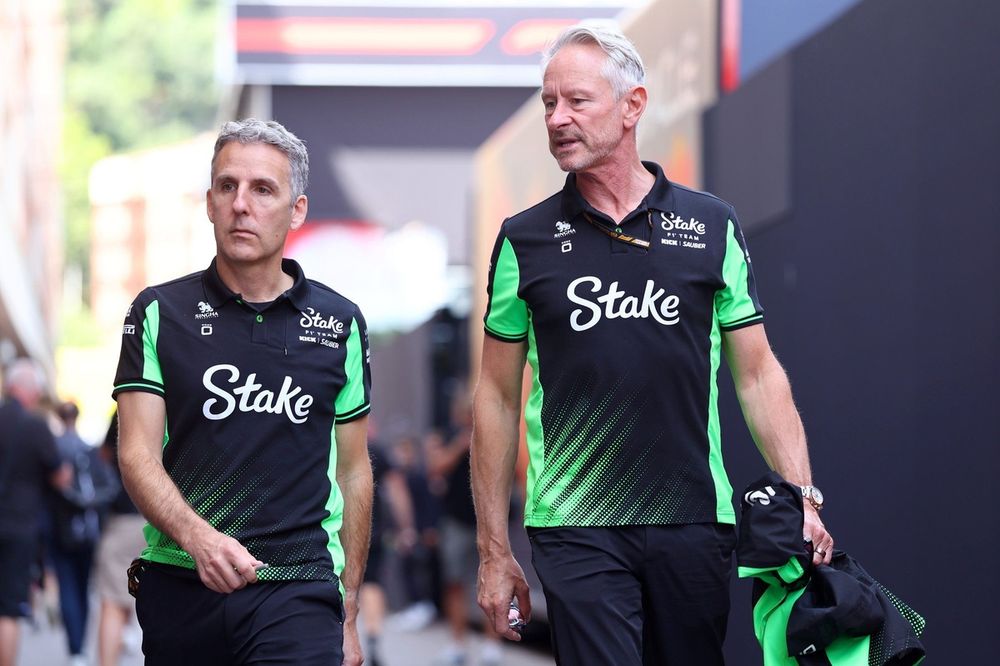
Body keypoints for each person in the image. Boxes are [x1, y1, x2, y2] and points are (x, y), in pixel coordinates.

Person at [470, 23, 834, 666]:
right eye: (548, 103)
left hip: (695, 518)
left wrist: (801, 495)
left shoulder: (711, 223)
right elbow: (496, 399)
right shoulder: (522, 241)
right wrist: (493, 553)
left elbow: (757, 375)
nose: (557, 118)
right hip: (575, 526)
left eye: (576, 101)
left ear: (632, 106)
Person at [113, 118, 373, 666]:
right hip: (182, 582)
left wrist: (348, 613)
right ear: (209, 202)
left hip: (298, 587)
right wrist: (197, 539)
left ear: (296, 210)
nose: (241, 204)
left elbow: (353, 471)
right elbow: (136, 451)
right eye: (227, 187)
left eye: (262, 189)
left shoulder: (340, 322)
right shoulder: (159, 312)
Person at [0, 359, 70, 666]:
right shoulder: (35, 426)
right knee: (9, 609)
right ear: (29, 390)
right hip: (19, 524)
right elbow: (60, 476)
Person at [430, 398, 503, 666]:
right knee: (454, 583)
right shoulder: (449, 434)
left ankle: (492, 645)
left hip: (488, 520)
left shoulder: (492, 431)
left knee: (492, 583)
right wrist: (460, 445)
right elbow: (435, 466)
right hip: (456, 520)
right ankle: (457, 643)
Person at [48, 400, 117, 665]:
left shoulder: (55, 448)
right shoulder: (88, 450)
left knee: (68, 587)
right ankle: (80, 647)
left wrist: (73, 498)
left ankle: (76, 648)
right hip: (87, 531)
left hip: (61, 528)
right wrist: (89, 502)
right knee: (82, 586)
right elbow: (108, 485)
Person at [93, 411, 146, 666]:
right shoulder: (186, 391)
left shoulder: (132, 398)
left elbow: (105, 453)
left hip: (126, 516)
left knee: (113, 602)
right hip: (173, 521)